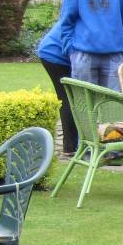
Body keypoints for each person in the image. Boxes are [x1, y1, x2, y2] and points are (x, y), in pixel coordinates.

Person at [35, 16, 78, 155]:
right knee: (68, 99)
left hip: (52, 52)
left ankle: (70, 146)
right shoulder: (86, 17)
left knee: (69, 99)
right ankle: (70, 147)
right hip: (54, 55)